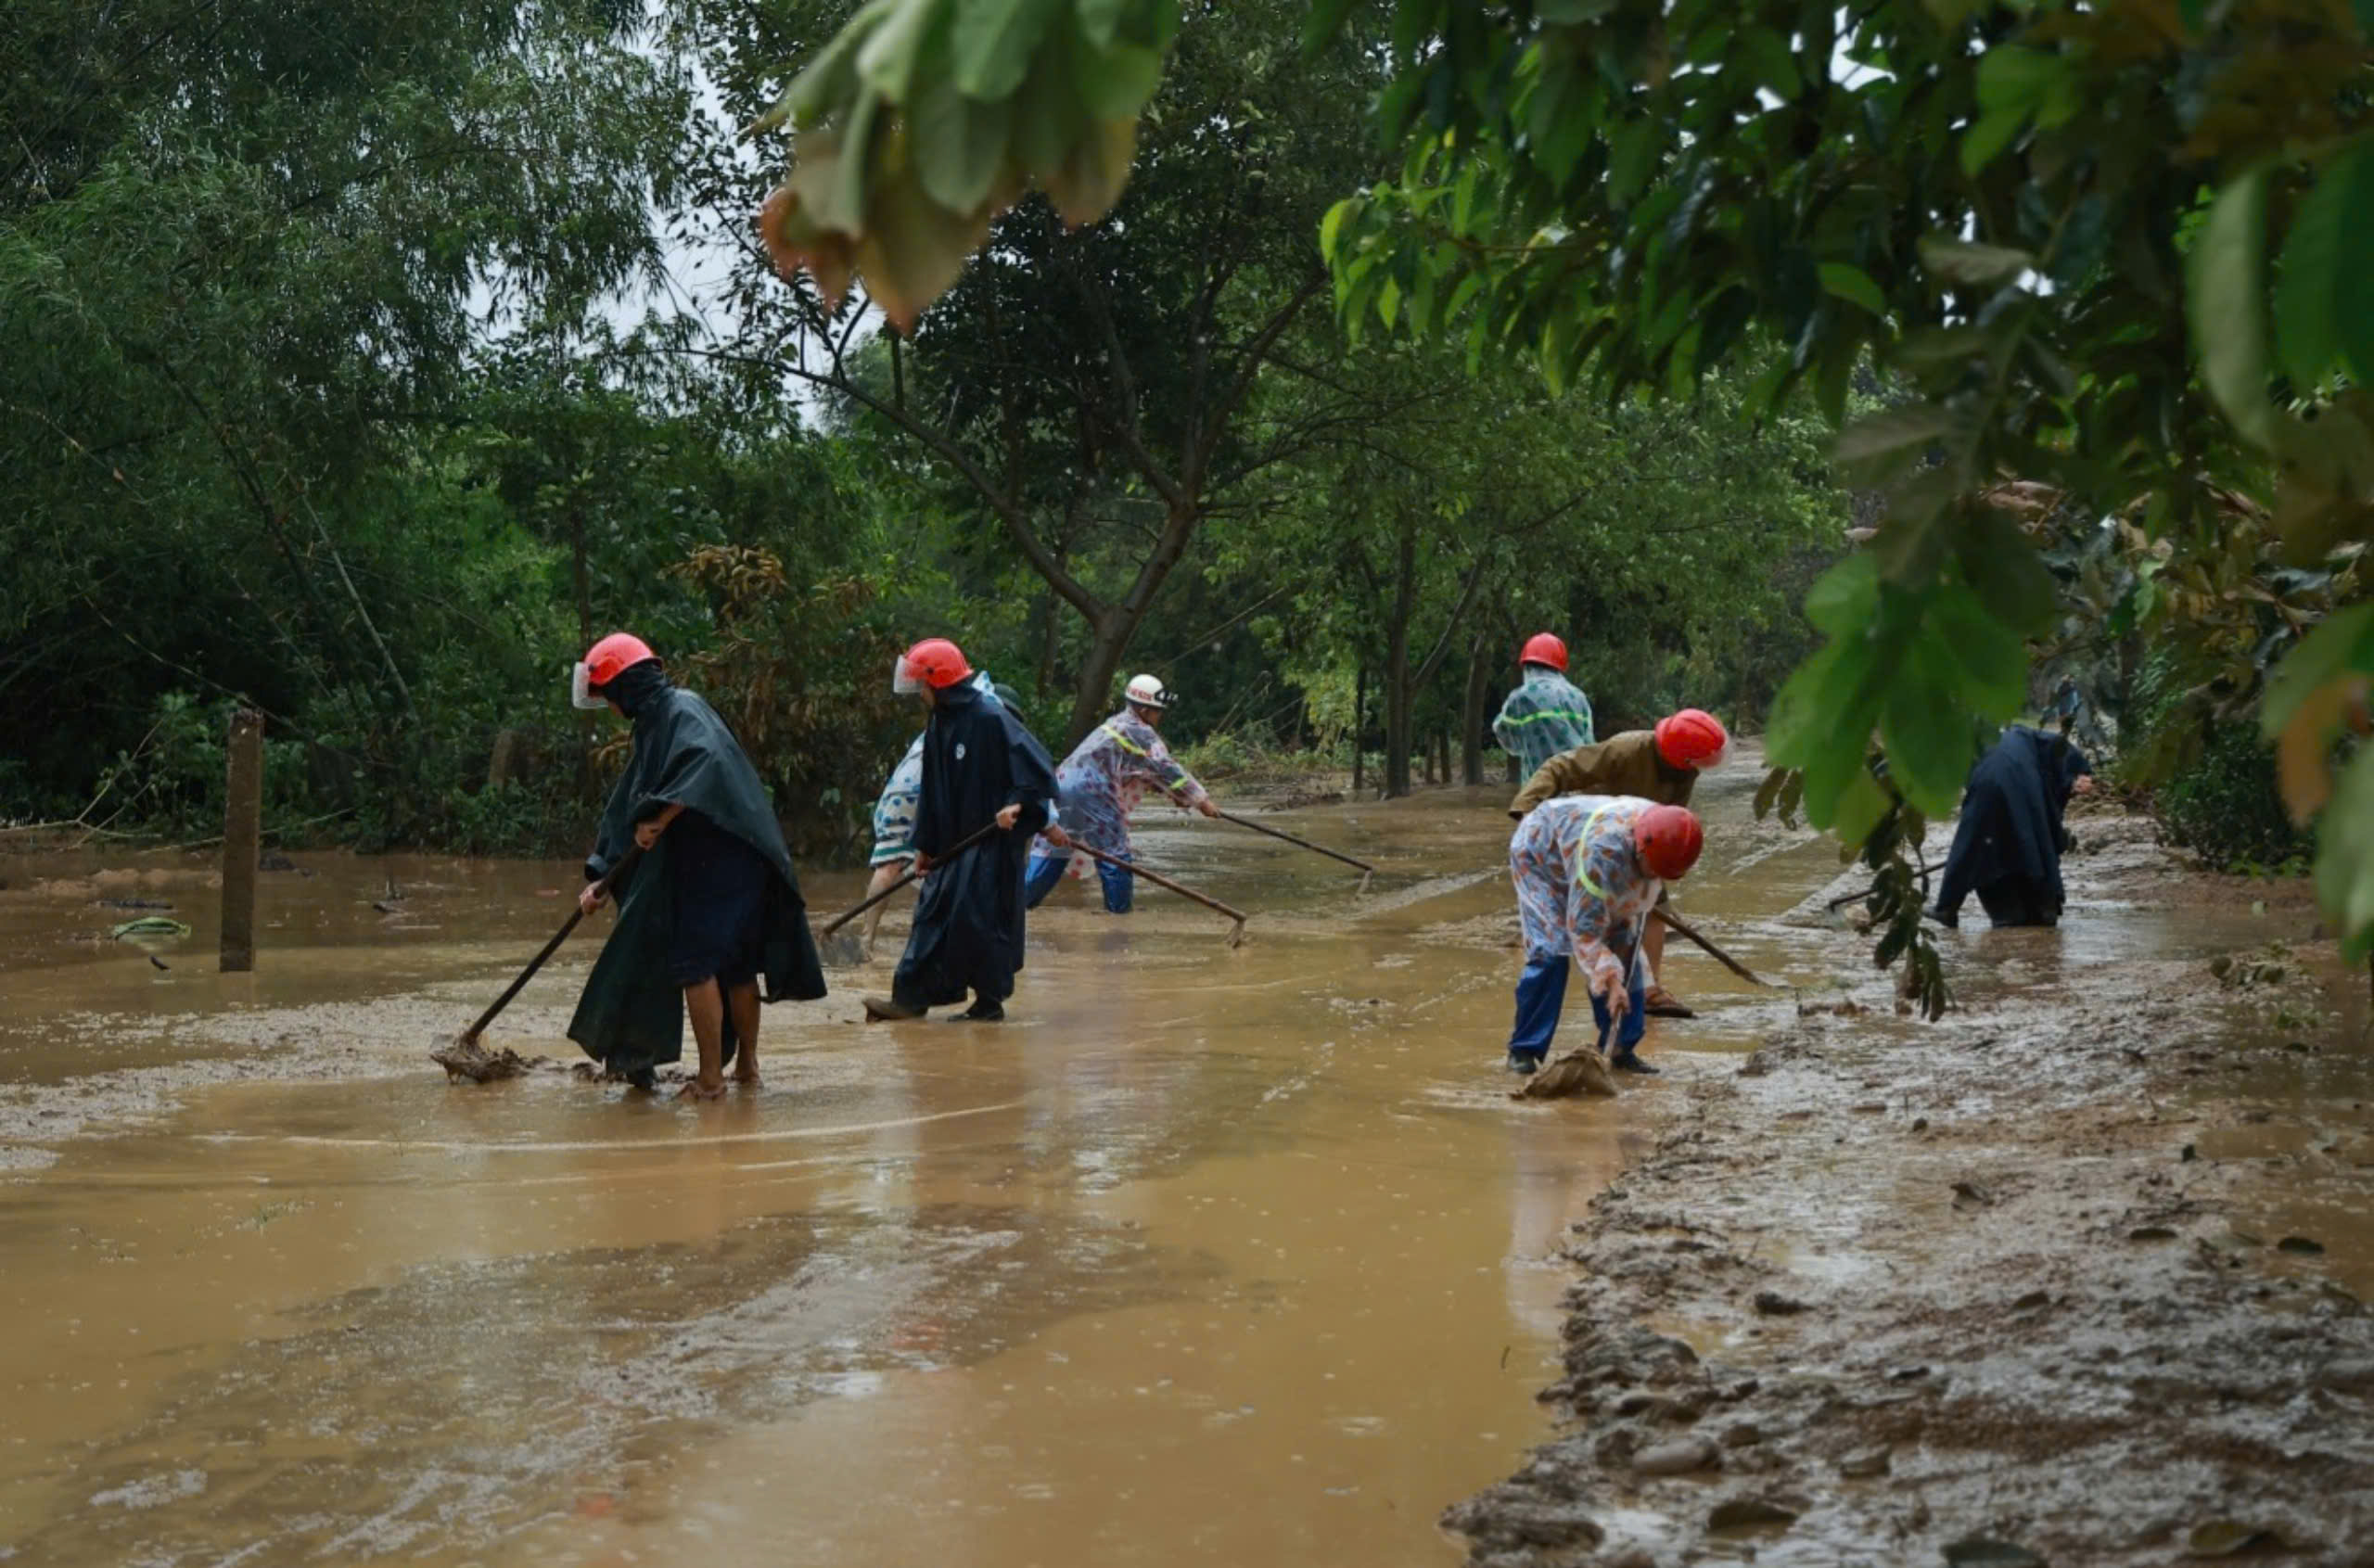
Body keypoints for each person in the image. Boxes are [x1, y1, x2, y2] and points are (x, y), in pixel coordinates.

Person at [565, 632, 827, 1099]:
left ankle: (711, 1081)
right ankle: (747, 1069)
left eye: (609, 697)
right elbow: (629, 804)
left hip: (718, 860)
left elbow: (701, 764)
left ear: (626, 687)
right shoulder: (661, 719)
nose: (609, 708)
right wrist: (604, 878)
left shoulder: (680, 711)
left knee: (695, 964)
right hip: (738, 854)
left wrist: (660, 818)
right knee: (737, 966)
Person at [865, 638, 1059, 1023]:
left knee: (980, 924)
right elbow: (934, 789)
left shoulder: (991, 718)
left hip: (990, 842)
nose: (919, 694)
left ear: (939, 683)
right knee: (931, 915)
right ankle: (909, 1000)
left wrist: (1016, 803)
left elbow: (1037, 768)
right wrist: (925, 846)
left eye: (922, 685)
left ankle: (988, 1005)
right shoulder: (940, 722)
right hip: (953, 843)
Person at [1508, 708, 1730, 1016]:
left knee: (1655, 909)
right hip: (1595, 843)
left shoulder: (1685, 771)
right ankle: (1597, 990)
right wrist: (1526, 809)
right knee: (1571, 931)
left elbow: (1674, 813)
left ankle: (1648, 991)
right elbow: (1561, 766)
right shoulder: (1624, 750)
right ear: (1683, 755)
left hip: (1648, 843)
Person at [1505, 795, 1704, 1077]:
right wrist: (1612, 984)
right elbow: (1585, 931)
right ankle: (1524, 1050)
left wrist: (1619, 977)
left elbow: (1625, 930)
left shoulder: (1671, 834)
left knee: (1627, 949)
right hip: (1542, 855)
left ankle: (1621, 1050)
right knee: (1551, 952)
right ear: (1640, 848)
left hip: (1587, 852)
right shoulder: (1604, 853)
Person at [1024, 673, 1220, 912]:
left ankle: (1017, 906)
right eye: (1158, 711)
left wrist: (1177, 796)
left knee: (1054, 846)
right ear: (1145, 710)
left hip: (1062, 786)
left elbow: (1138, 773)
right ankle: (1119, 917)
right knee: (1115, 853)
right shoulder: (1139, 730)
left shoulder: (1115, 724)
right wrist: (1201, 800)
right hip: (1092, 792)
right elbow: (1166, 768)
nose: (1160, 716)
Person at [862, 673, 1013, 957]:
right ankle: (940, 937)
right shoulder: (982, 719)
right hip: (922, 793)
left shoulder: (951, 714)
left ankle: (868, 939)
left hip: (898, 791)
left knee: (890, 864)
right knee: (930, 866)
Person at [1930, 725, 2095, 929]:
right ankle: (2045, 910)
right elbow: (2058, 745)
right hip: (2026, 790)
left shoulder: (1967, 747)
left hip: (1988, 790)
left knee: (1972, 846)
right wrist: (2077, 772)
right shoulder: (2025, 735)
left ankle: (1947, 908)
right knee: (2037, 842)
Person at [1492, 633, 1596, 778]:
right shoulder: (1578, 696)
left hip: (1539, 788)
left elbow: (1508, 740)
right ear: (1560, 667)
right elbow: (1589, 745)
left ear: (1527, 666)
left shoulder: (1519, 697)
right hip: (1575, 785)